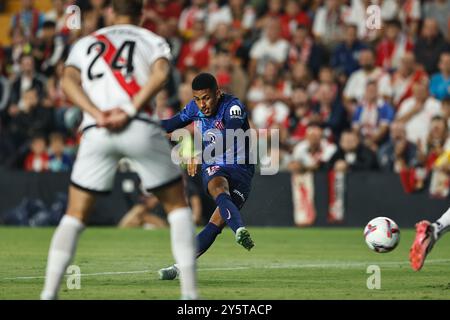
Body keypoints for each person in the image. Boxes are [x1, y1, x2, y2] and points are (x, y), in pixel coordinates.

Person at [40, 0, 198, 300]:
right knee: (177, 207)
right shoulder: (152, 39)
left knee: (74, 215)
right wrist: (130, 109)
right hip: (139, 125)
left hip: (96, 130)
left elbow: (67, 81)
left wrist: (96, 113)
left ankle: (48, 294)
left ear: (110, 12)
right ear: (141, 14)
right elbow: (160, 74)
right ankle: (190, 296)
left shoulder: (86, 43)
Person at [157, 72, 255, 280]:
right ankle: (239, 231)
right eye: (197, 99)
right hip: (215, 164)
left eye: (207, 98)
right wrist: (144, 126)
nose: (202, 104)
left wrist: (199, 155)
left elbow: (230, 137)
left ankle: (180, 266)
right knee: (218, 187)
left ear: (217, 93)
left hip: (242, 169)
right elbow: (171, 123)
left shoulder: (233, 107)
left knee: (215, 223)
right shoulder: (195, 108)